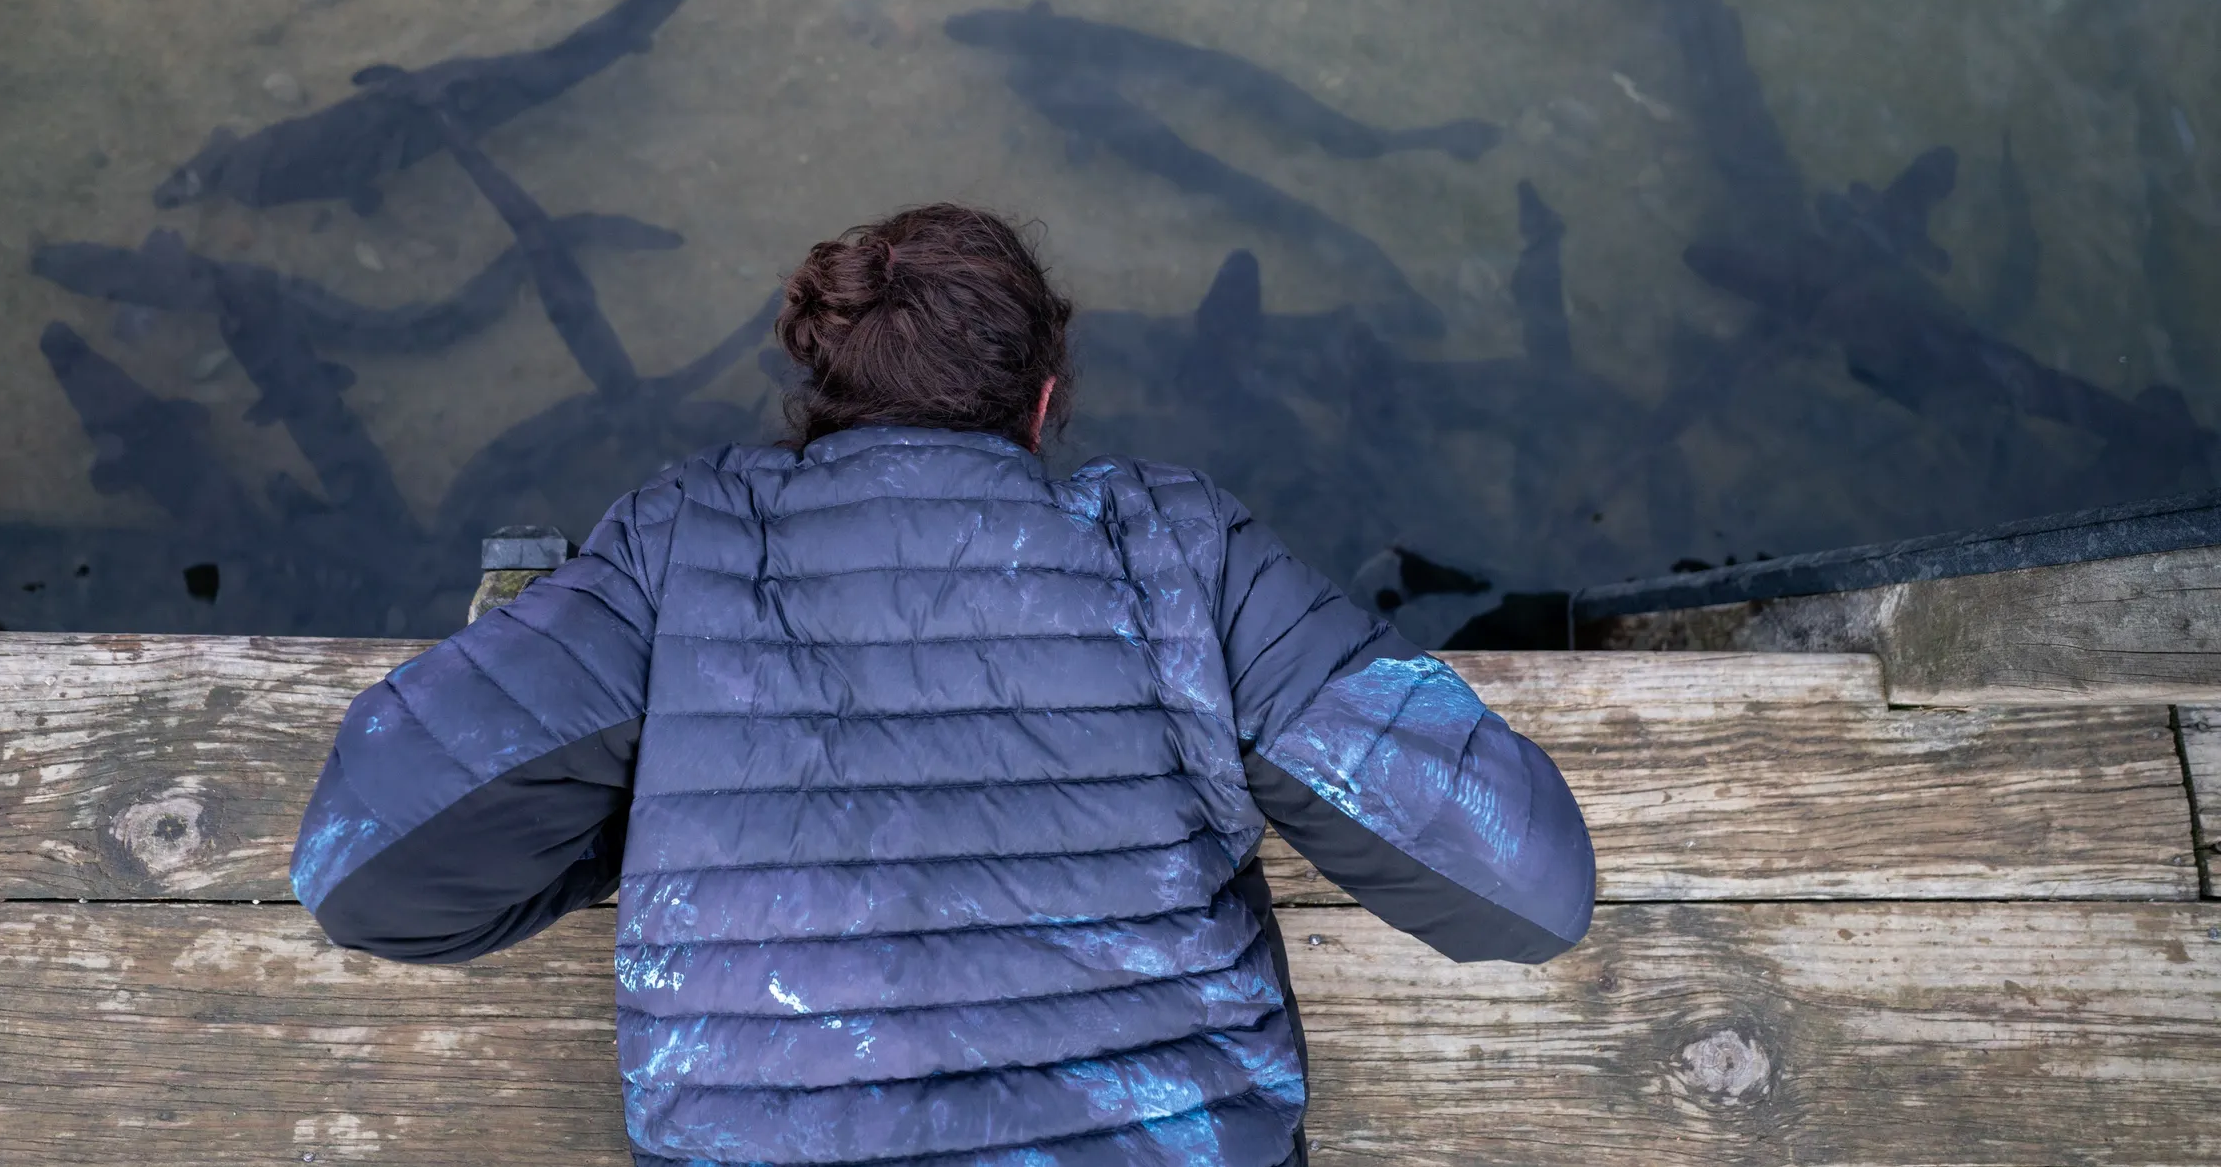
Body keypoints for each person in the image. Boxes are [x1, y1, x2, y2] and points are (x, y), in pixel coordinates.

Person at [290, 202, 1594, 1167]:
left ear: (820, 390)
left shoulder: (686, 539)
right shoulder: (1176, 546)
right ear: (1041, 404)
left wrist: (626, 823)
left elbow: (362, 867)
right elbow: (1527, 883)